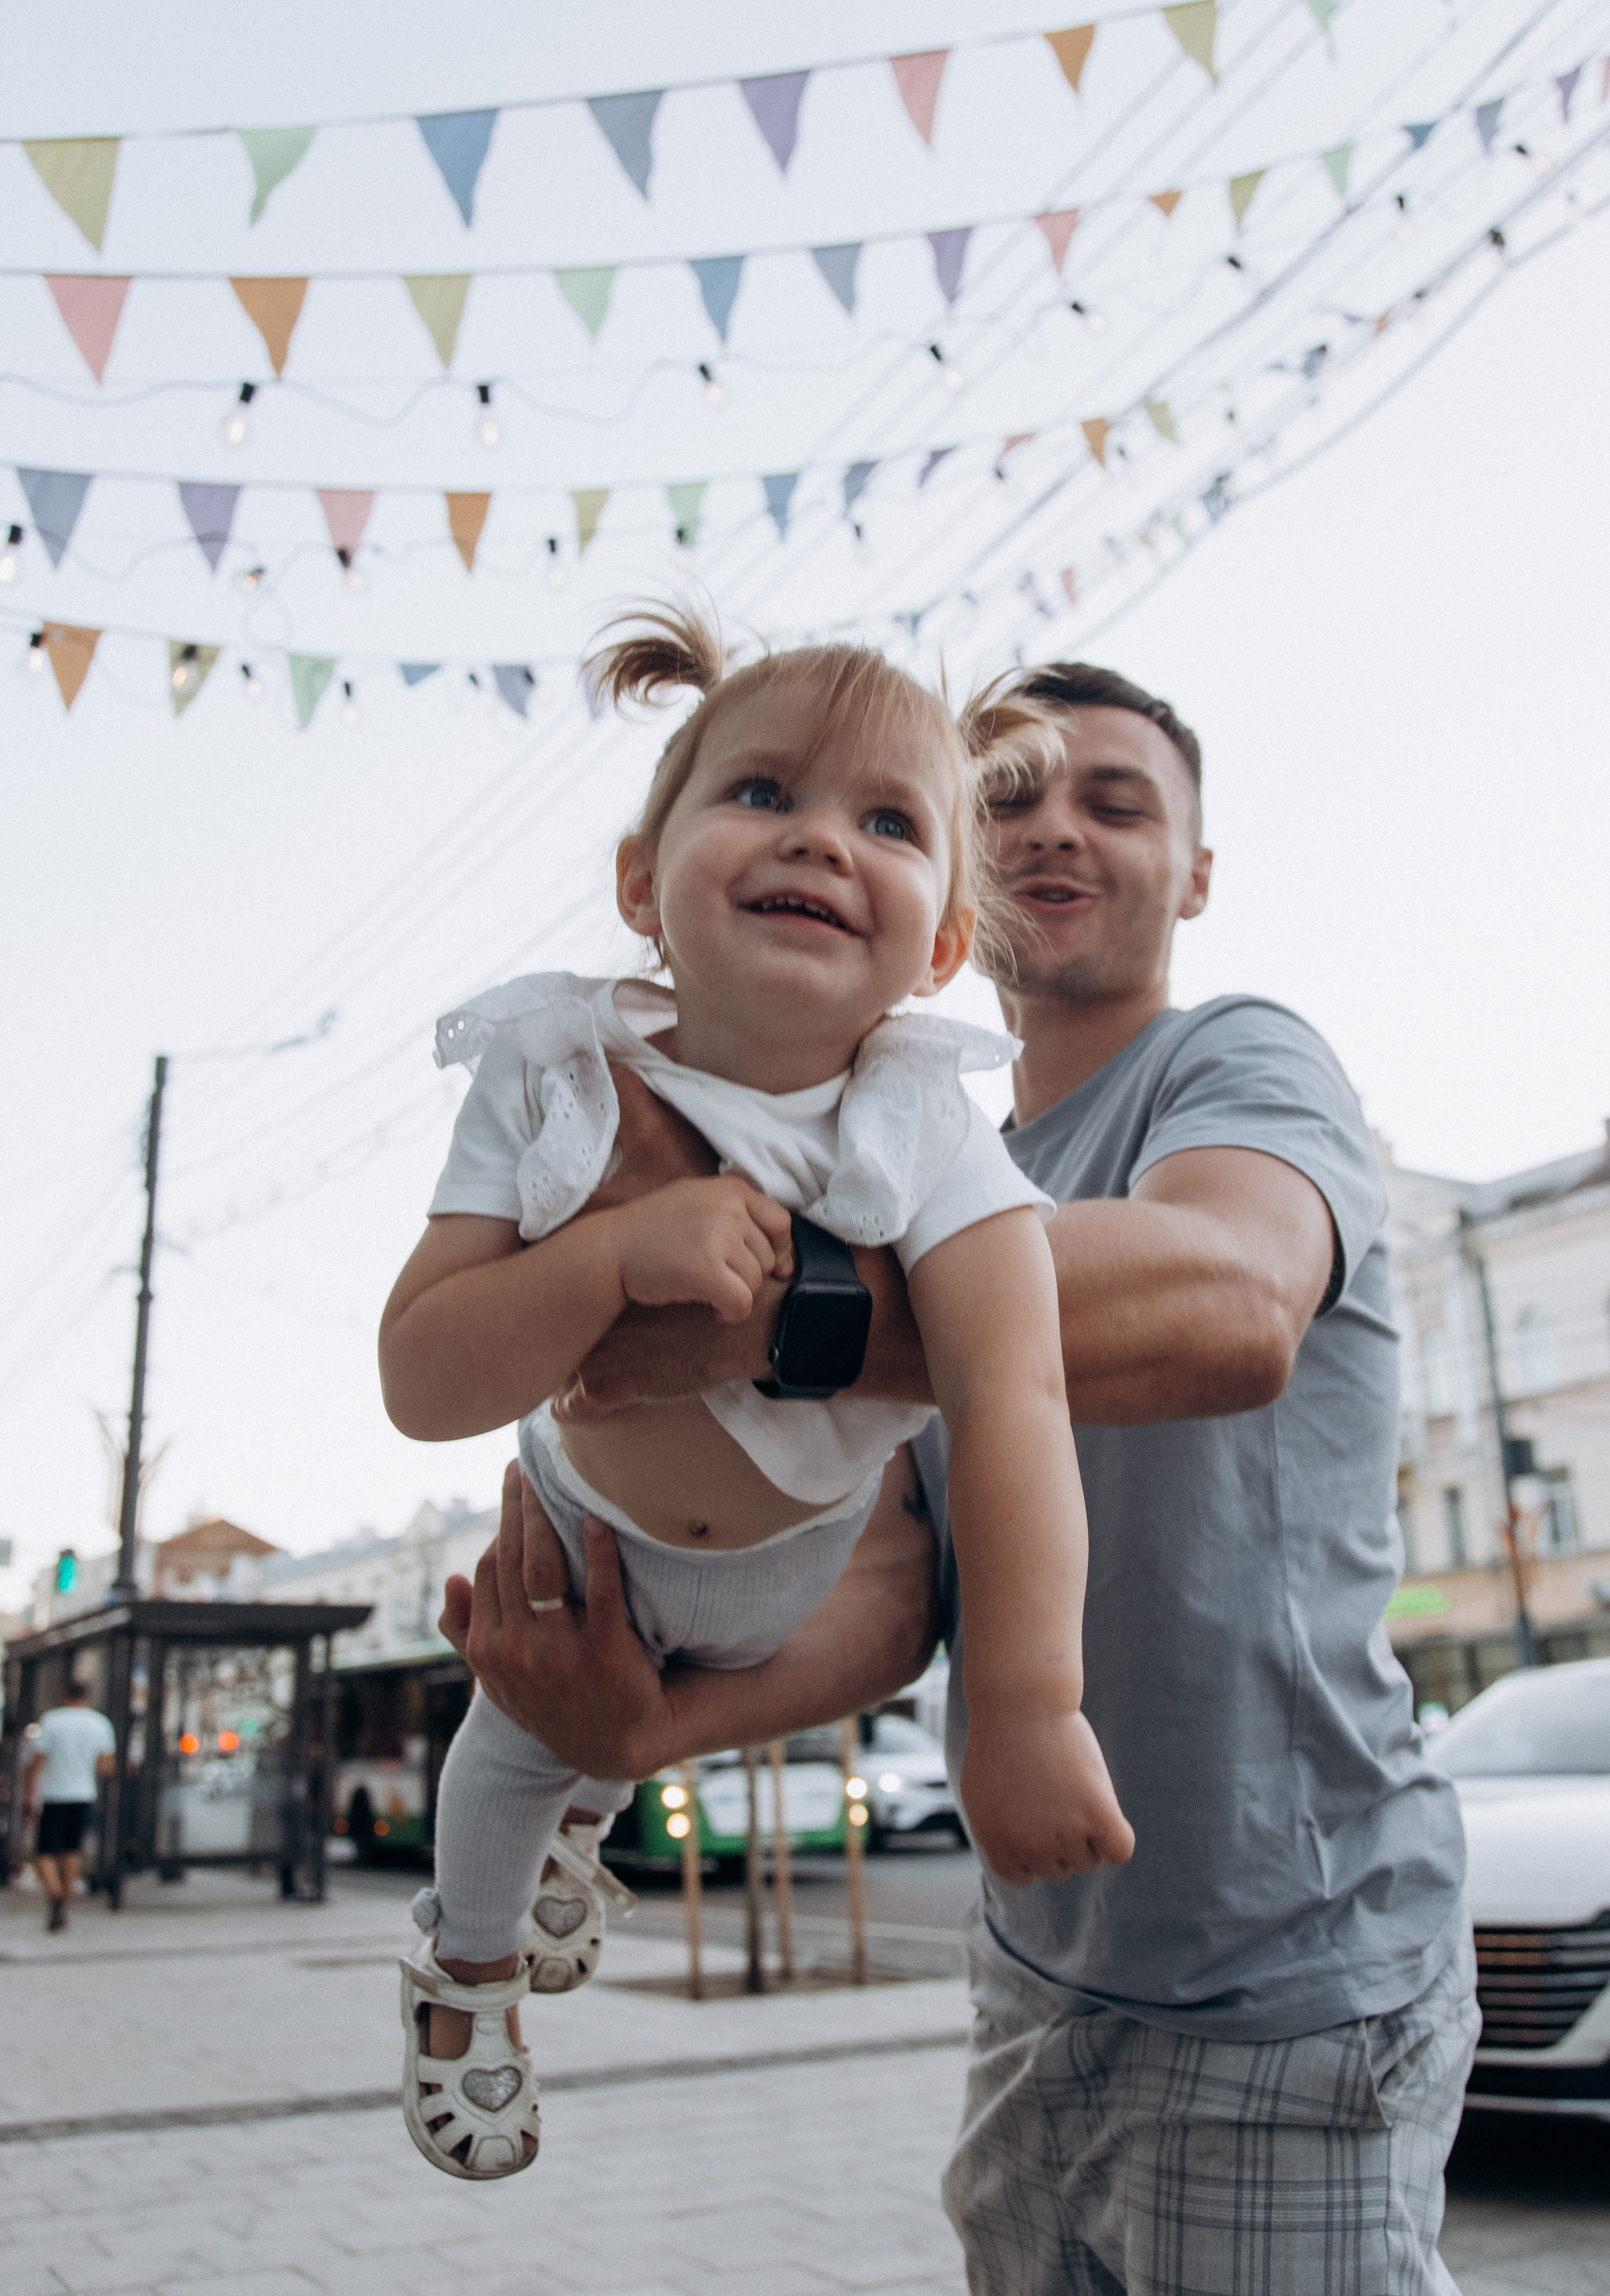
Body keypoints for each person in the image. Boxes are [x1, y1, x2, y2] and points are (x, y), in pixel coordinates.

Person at [446, 659, 1478, 2293]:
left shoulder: (1235, 1059)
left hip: (1291, 1960)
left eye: (1115, 800)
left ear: (1194, 872)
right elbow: (898, 1579)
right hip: (1035, 1966)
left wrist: (768, 1314)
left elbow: (1230, 1297)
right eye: (1008, 798)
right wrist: (634, 1732)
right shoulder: (900, 1147)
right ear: (958, 882)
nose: (1055, 828)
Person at [381, 608, 1132, 2182]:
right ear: (638, 877)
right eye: (761, 793)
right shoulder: (557, 1072)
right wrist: (609, 1260)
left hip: (790, 1585)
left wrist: (1026, 1704)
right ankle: (466, 1972)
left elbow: (1013, 1396)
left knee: (588, 1747)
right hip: (583, 1546)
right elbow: (419, 1375)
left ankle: (585, 1818)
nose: (816, 839)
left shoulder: (925, 1124)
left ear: (939, 942)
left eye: (885, 820)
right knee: (517, 1740)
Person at [26, 1677, 116, 1933]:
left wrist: (27, 1792)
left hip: (54, 1795)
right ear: (87, 1696)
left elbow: (37, 1761)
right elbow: (107, 1765)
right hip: (84, 1794)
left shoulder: (52, 1720)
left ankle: (54, 1894)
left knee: (44, 1852)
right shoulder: (100, 1723)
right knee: (72, 1850)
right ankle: (65, 1902)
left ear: (65, 1695)